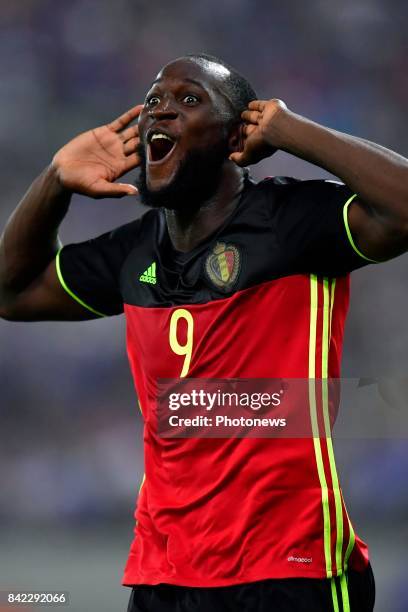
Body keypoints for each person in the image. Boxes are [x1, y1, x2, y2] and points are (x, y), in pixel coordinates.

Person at [1, 52, 407, 612]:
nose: (159, 112)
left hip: (290, 569)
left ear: (235, 135)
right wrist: (54, 182)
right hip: (165, 576)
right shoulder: (134, 252)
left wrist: (290, 129)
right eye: (152, 102)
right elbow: (12, 293)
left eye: (189, 100)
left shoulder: (291, 222)